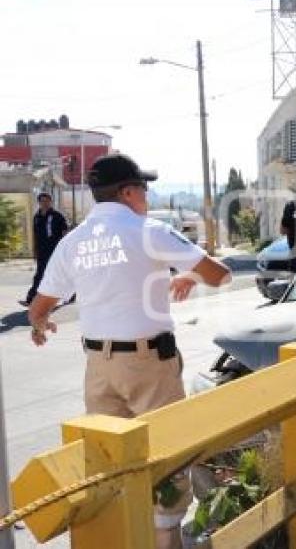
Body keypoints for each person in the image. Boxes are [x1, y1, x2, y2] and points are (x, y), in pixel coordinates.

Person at [27, 153, 231, 549]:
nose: (147, 194)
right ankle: (164, 538)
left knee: (109, 461)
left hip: (98, 367)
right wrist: (188, 274)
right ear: (127, 191)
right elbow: (219, 275)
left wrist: (40, 326)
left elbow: (40, 307)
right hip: (148, 364)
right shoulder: (148, 230)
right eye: (143, 187)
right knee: (167, 457)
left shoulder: (74, 242)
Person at [20, 192, 68, 306]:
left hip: (55, 250)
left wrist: (64, 249)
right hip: (42, 251)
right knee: (40, 274)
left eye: (47, 201)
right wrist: (35, 250)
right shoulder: (37, 217)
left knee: (59, 273)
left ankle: (70, 295)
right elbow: (35, 235)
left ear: (50, 202)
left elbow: (65, 232)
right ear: (39, 203)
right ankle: (30, 299)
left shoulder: (57, 215)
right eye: (42, 201)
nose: (45, 203)